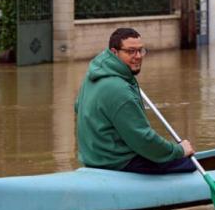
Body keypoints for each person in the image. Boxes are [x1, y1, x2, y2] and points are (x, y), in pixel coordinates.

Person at [74, 28, 196, 174]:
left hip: (93, 158)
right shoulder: (119, 90)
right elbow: (143, 139)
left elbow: (77, 107)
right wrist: (178, 150)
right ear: (114, 52)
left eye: (140, 50)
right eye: (130, 51)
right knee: (188, 165)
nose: (138, 56)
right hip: (116, 162)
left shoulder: (93, 75)